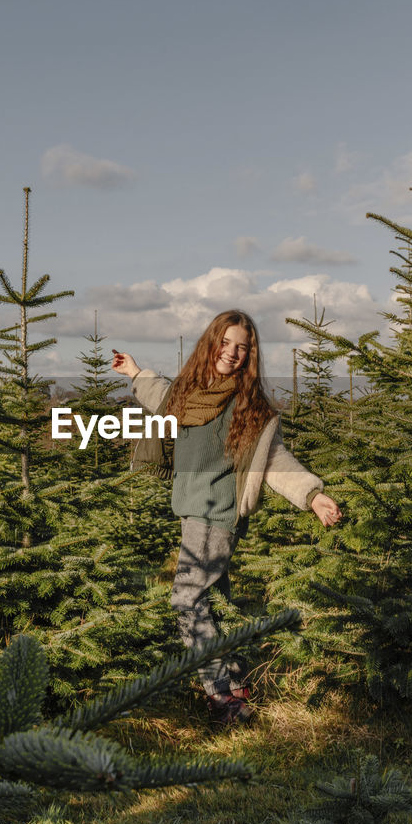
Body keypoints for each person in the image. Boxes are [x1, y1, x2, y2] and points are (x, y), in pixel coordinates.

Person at [112, 309, 341, 726]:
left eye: (243, 347)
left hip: (217, 515)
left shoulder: (249, 406)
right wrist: (135, 371)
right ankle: (238, 686)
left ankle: (222, 697)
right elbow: (160, 393)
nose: (233, 353)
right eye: (227, 343)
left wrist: (312, 495)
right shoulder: (189, 393)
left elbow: (274, 459)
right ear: (211, 342)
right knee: (214, 600)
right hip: (191, 511)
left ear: (250, 354)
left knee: (185, 600)